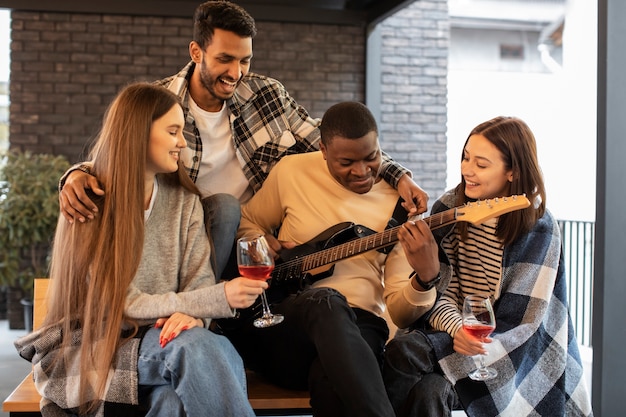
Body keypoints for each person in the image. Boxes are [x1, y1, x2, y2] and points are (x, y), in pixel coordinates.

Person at [57, 0, 428, 280]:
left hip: (252, 241)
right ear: (196, 52)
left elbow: (329, 138)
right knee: (224, 207)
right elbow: (115, 151)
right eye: (225, 59)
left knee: (239, 214)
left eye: (245, 60)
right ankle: (206, 306)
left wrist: (397, 174)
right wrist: (75, 175)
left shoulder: (266, 95)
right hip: (185, 237)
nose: (236, 73)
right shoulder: (160, 103)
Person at [13, 83, 266, 417]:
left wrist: (194, 314)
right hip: (95, 347)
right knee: (198, 350)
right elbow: (119, 302)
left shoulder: (186, 204)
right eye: (173, 131)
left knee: (170, 400)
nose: (182, 142)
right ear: (137, 133)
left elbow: (198, 282)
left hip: (163, 339)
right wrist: (220, 299)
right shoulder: (89, 204)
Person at [222, 101, 440, 417]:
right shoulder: (292, 171)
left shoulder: (399, 205)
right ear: (323, 149)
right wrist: (261, 242)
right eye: (347, 162)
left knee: (332, 386)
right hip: (289, 327)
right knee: (326, 301)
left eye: (372, 157)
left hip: (360, 329)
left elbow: (401, 313)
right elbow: (247, 222)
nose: (362, 171)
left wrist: (424, 278)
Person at [382, 116, 593, 417]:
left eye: (481, 164)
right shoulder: (449, 209)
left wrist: (468, 338)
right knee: (430, 391)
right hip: (453, 332)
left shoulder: (538, 227)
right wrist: (453, 322)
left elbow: (523, 323)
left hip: (510, 349)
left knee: (405, 351)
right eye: (466, 158)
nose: (467, 170)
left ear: (513, 172)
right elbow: (442, 295)